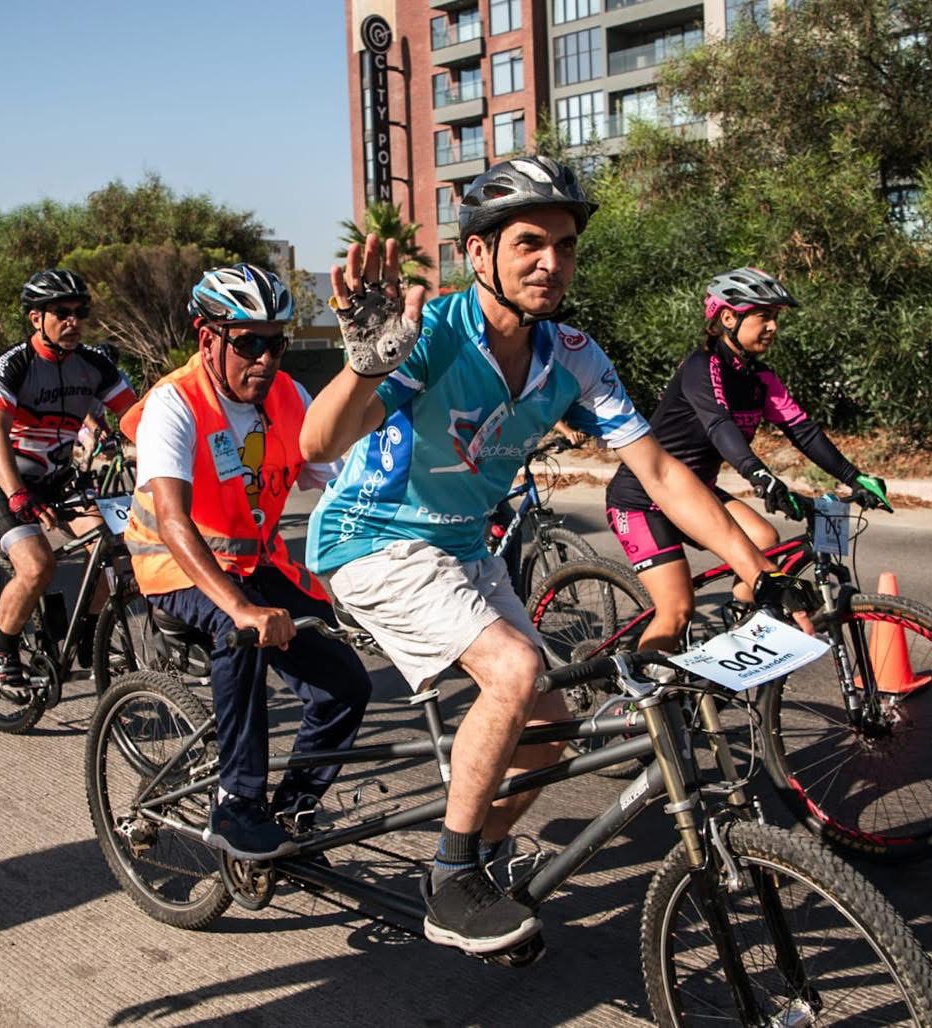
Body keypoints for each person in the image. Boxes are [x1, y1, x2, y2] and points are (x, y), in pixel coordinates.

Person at [300, 156, 808, 955]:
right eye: (529, 243)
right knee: (514, 670)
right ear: (478, 253)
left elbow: (660, 473)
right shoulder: (432, 334)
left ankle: (481, 859)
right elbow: (318, 442)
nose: (551, 262)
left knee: (552, 726)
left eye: (564, 246)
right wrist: (364, 367)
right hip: (375, 537)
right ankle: (451, 877)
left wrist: (755, 565)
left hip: (461, 544)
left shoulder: (573, 353)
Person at [119, 264, 371, 859]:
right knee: (241, 636)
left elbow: (341, 486)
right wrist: (240, 608)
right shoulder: (174, 403)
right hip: (175, 565)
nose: (264, 359)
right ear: (208, 338)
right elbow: (174, 521)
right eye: (249, 343)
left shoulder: (289, 396)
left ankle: (292, 811)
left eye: (276, 344)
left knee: (346, 684)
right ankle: (236, 804)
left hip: (256, 564)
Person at [605, 267, 891, 651]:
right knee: (677, 610)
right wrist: (758, 474)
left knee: (765, 540)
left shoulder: (760, 378)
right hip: (642, 500)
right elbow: (718, 424)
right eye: (764, 316)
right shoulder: (702, 366)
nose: (773, 327)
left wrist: (854, 477)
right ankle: (640, 688)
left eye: (776, 318)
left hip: (696, 493)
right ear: (728, 318)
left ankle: (737, 636)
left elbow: (803, 430)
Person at [0, 269, 136, 689]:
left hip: (58, 475)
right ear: (36, 318)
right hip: (3, 474)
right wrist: (16, 494)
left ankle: (90, 638)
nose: (73, 321)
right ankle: (1, 648)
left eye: (80, 312)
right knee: (37, 565)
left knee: (114, 552)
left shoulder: (94, 364)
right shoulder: (15, 364)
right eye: (62, 312)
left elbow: (139, 417)